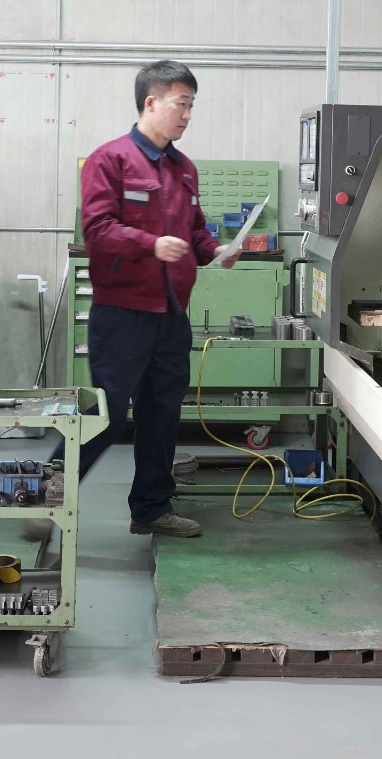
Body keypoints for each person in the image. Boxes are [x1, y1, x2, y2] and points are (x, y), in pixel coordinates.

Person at [78, 60, 238, 538]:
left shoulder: (183, 169)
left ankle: (151, 509)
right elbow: (98, 230)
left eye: (191, 106)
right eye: (180, 104)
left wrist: (217, 251)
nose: (187, 115)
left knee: (162, 413)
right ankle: (45, 490)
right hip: (122, 313)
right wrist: (149, 244)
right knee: (107, 414)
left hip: (170, 313)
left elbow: (195, 230)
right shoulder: (110, 160)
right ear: (151, 102)